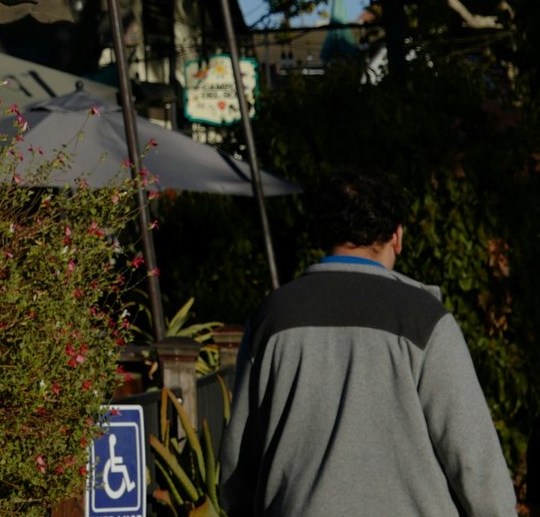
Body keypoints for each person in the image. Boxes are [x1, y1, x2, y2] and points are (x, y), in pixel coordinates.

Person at [220, 172, 515, 517]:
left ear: (325, 233)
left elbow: (239, 464)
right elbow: (475, 461)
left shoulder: (272, 318)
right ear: (397, 236)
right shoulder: (425, 320)